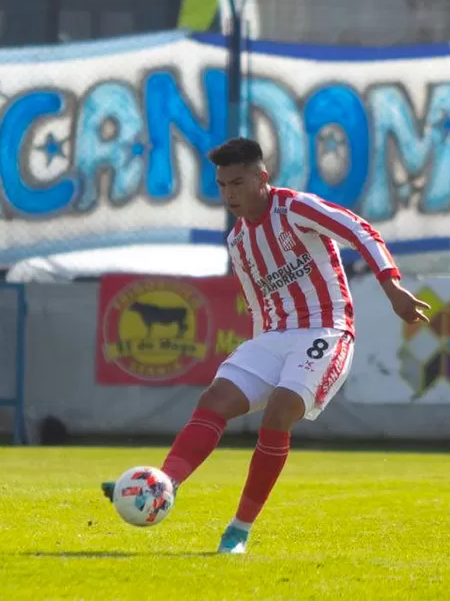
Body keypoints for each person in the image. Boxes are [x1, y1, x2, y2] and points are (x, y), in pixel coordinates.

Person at [101, 137, 429, 554]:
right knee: (215, 398)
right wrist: (259, 352)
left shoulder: (296, 208)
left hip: (325, 331)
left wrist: (392, 286)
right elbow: (260, 304)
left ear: (262, 177)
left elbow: (359, 230)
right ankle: (161, 485)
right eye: (222, 186)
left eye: (238, 183)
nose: (229, 194)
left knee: (279, 411)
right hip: (273, 337)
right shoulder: (238, 242)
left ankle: (238, 531)